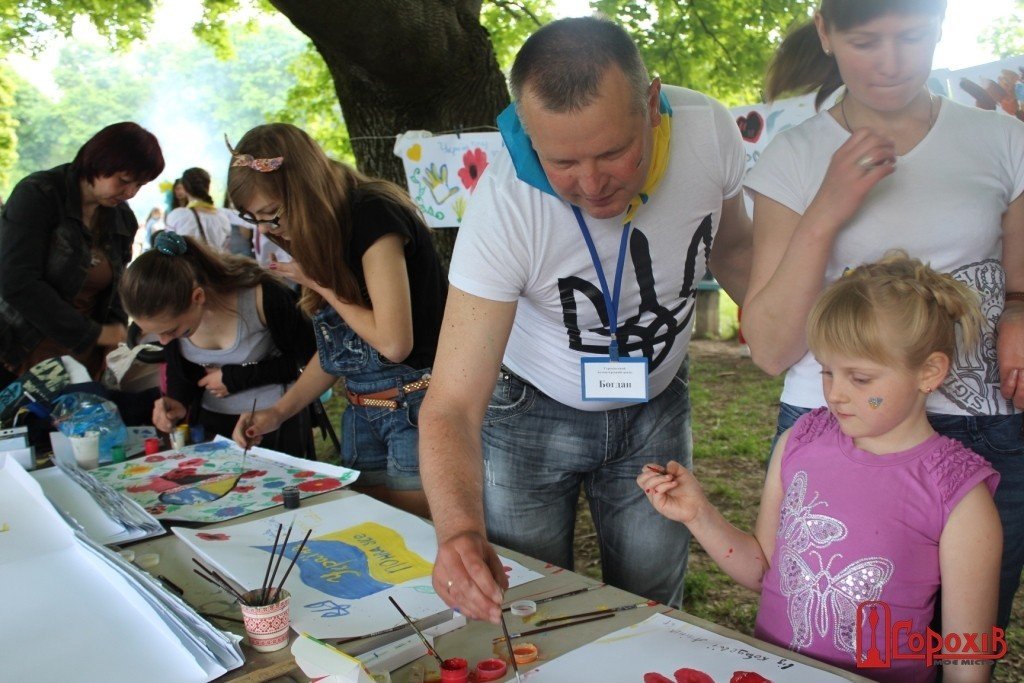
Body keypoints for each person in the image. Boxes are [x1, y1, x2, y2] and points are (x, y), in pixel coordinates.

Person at [418, 15, 752, 623]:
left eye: (614, 153)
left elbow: (735, 251)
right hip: (531, 410)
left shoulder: (707, 131)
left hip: (656, 397)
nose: (592, 183)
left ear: (651, 105)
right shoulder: (506, 204)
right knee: (527, 606)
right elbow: (452, 405)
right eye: (563, 161)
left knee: (651, 604)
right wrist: (459, 532)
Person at [741, 0, 1024, 630]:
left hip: (978, 423)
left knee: (964, 636)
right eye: (867, 42)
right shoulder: (794, 156)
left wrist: (1018, 312)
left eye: (913, 37)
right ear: (825, 32)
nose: (892, 63)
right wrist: (826, 209)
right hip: (836, 424)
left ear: (942, 25)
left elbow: (1019, 285)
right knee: (827, 629)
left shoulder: (1003, 140)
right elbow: (769, 349)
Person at [641, 253, 1001, 683]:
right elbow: (763, 570)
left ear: (929, 372)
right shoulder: (800, 443)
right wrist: (699, 514)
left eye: (860, 379)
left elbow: (967, 660)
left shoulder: (958, 493)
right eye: (828, 372)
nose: (836, 394)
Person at [226, 123, 446, 517]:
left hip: (415, 409)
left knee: (415, 532)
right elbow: (342, 352)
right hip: (362, 411)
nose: (268, 229)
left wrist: (322, 286)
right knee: (375, 529)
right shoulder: (324, 228)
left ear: (303, 190)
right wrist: (279, 411)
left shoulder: (373, 214)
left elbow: (394, 343)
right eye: (254, 220)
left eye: (272, 214)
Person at [121, 232, 315, 456]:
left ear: (198, 297)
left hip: (274, 422)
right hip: (211, 425)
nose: (164, 341)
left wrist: (236, 378)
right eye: (156, 335)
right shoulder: (172, 319)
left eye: (171, 331)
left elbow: (309, 359)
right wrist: (177, 401)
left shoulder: (263, 297)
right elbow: (183, 371)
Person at [0, 121, 164, 385]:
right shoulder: (39, 194)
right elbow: (17, 281)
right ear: (99, 163)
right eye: (124, 181)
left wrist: (114, 336)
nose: (130, 193)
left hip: (82, 359)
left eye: (139, 185)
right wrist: (94, 333)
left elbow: (117, 287)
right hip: (20, 348)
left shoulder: (122, 218)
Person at [164, 167, 232, 252]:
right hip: (215, 260)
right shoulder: (223, 217)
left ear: (185, 188)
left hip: (189, 260)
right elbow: (225, 250)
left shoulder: (178, 215)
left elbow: (169, 247)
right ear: (208, 187)